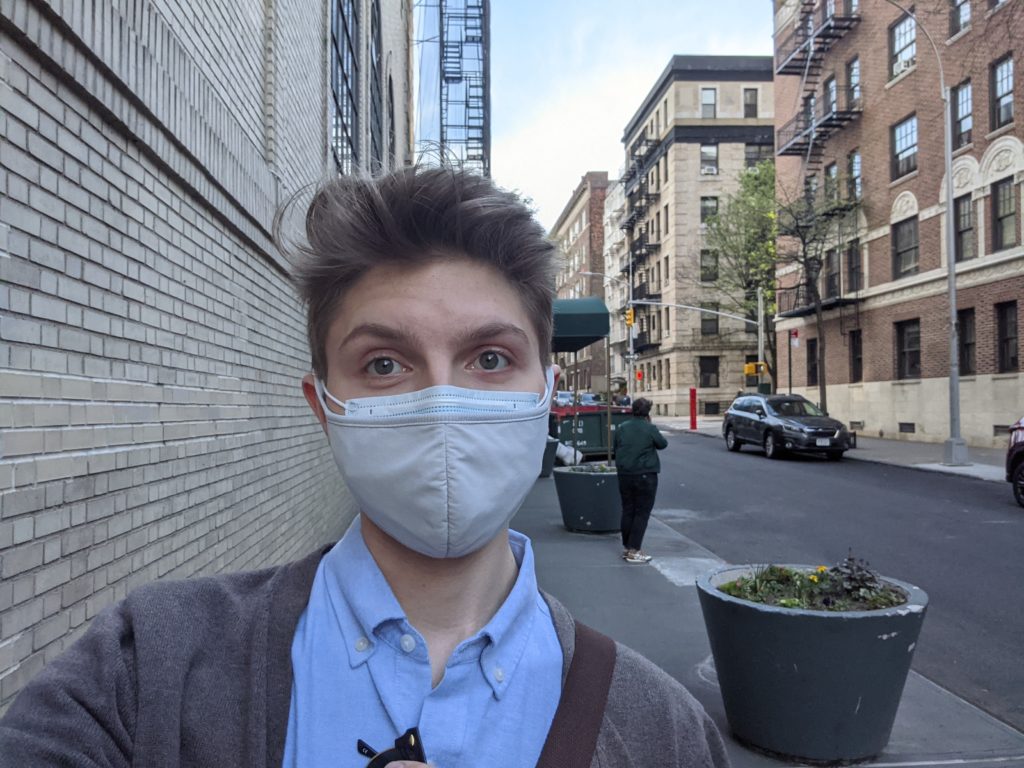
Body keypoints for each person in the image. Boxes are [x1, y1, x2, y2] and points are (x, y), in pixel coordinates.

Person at [0, 167, 728, 768]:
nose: (442, 401)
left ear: (544, 392)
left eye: (490, 358)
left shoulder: (666, 733)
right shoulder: (147, 672)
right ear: (324, 406)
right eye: (384, 363)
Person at [614, 397, 668, 564]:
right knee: (642, 512)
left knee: (628, 509)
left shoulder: (622, 428)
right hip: (645, 474)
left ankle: (627, 546)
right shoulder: (649, 428)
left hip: (625, 474)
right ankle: (634, 550)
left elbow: (616, 447)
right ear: (647, 413)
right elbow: (662, 444)